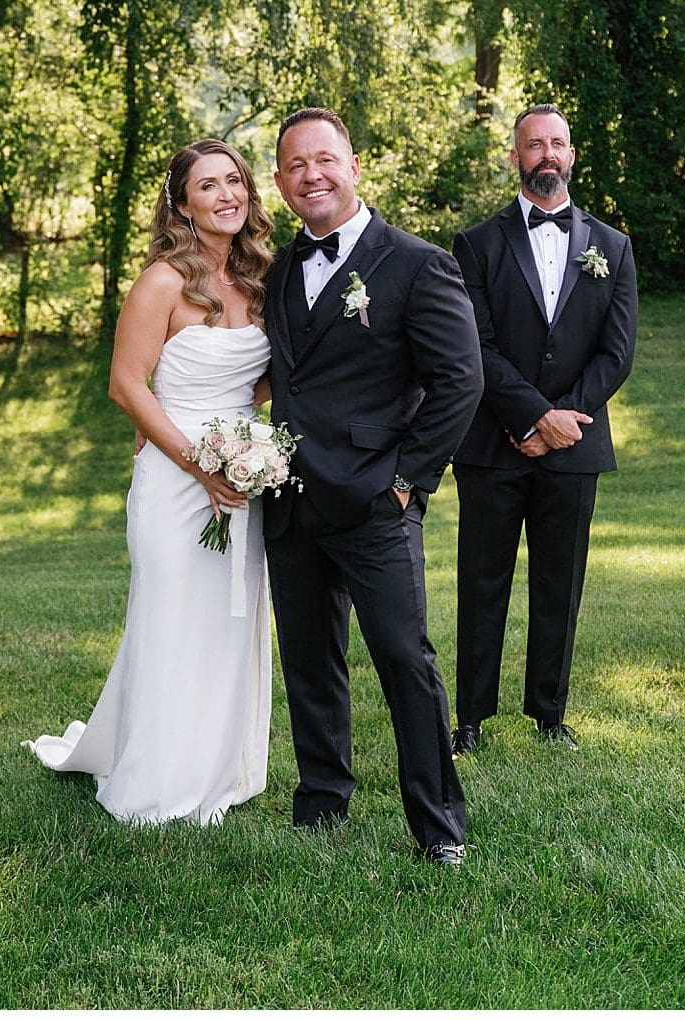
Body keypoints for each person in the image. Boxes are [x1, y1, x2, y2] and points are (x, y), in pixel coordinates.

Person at [27, 139, 276, 823]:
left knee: (231, 621)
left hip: (241, 474)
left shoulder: (263, 277)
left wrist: (245, 453)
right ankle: (159, 777)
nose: (226, 195)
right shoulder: (164, 281)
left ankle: (222, 767)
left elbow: (260, 378)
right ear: (183, 203)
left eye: (235, 182)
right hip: (174, 480)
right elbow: (125, 385)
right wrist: (201, 464)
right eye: (207, 186)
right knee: (171, 618)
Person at [262, 107, 482, 866]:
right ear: (282, 181)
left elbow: (460, 381)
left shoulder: (417, 263)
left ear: (354, 165)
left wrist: (406, 483)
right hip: (289, 497)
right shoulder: (283, 268)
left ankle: (439, 826)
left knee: (402, 658)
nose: (311, 175)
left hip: (374, 501)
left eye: (324, 159)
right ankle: (322, 802)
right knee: (309, 660)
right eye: (295, 165)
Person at [449, 104, 636, 755]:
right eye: (535, 145)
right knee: (481, 582)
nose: (547, 154)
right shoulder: (475, 244)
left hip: (574, 448)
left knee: (561, 583)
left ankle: (550, 714)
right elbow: (476, 344)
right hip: (493, 445)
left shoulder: (613, 247)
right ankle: (469, 719)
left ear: (572, 155)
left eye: (557, 143)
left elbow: (616, 353)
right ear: (515, 157)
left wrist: (562, 423)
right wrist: (530, 415)